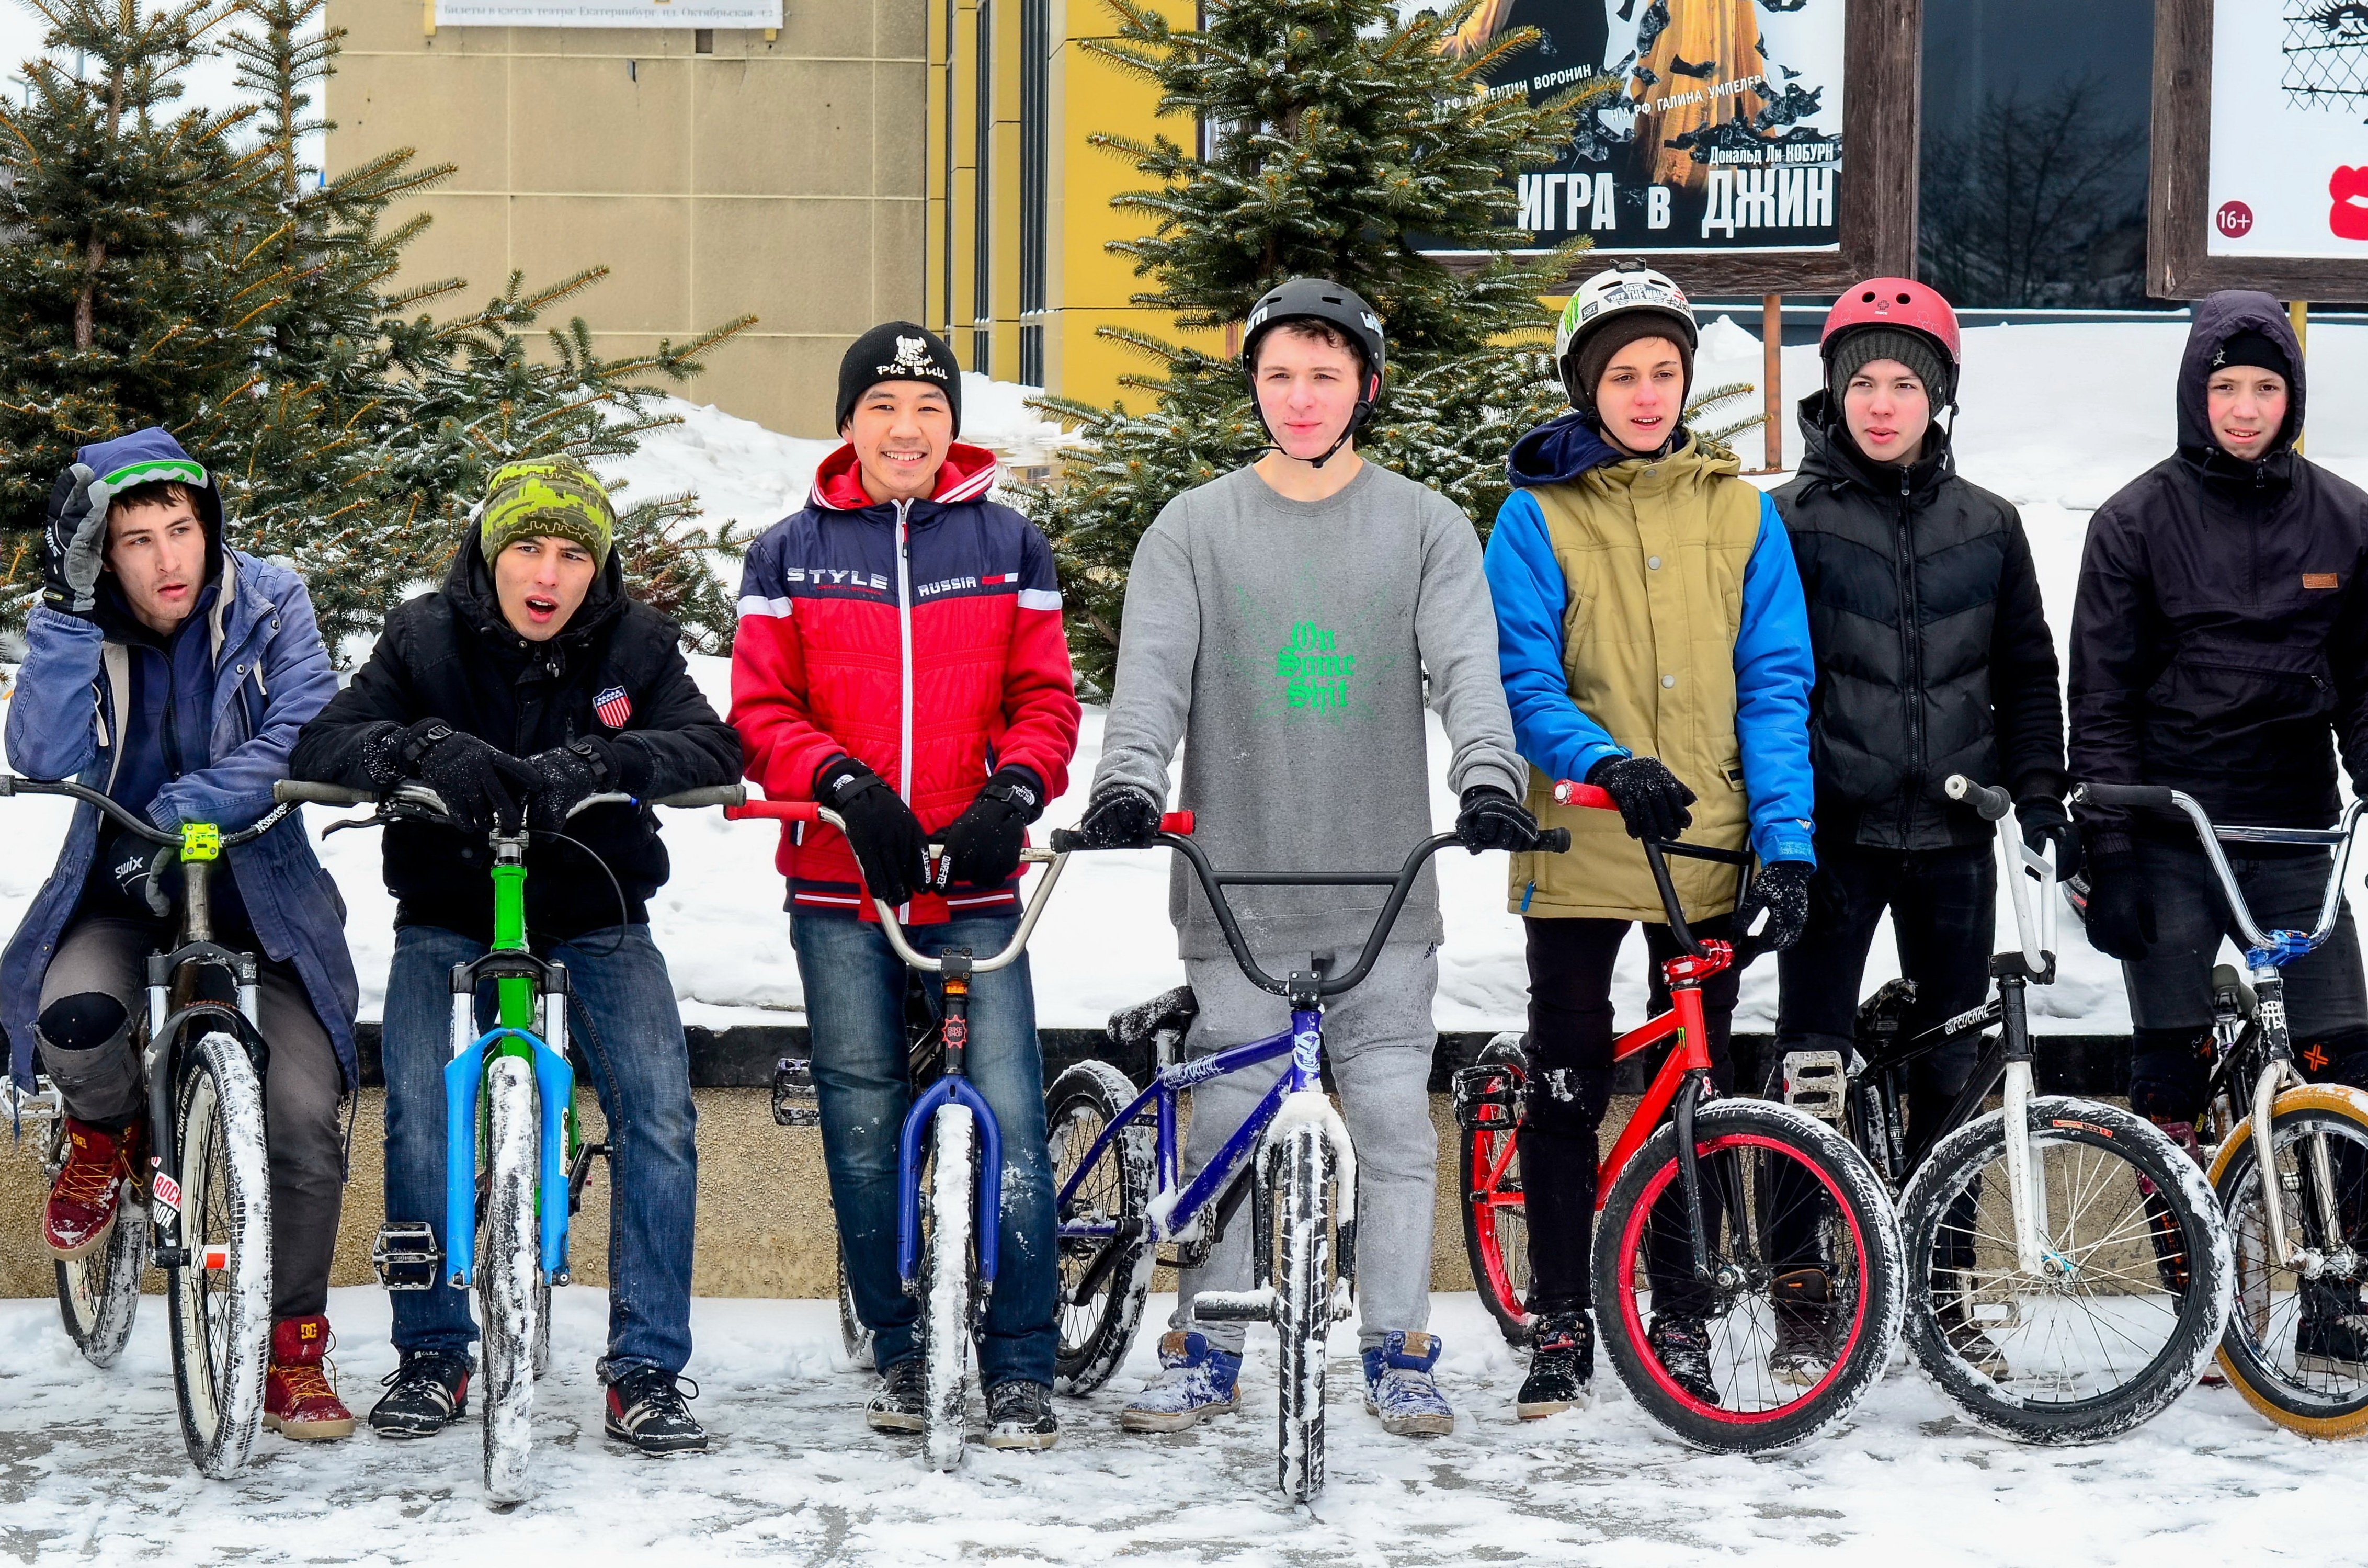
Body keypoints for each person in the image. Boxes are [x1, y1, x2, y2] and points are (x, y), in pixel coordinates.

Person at [1074, 277, 1542, 1439]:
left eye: (1325, 373)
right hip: (1236, 886)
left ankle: (1397, 1347)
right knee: (1231, 1114)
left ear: (1362, 388)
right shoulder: (1193, 526)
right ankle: (1207, 1347)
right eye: (1279, 373)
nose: (1300, 395)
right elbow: (1151, 684)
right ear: (1254, 384)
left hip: (1384, 889)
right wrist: (1128, 782)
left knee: (1389, 1121)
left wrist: (1487, 776)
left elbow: (1466, 672)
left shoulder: (1423, 524)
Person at [289, 457, 740, 1455]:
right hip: (450, 906)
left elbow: (713, 750)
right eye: (528, 548)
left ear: (599, 564)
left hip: (597, 904)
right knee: (417, 1109)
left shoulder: (638, 641)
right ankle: (433, 1355)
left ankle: (648, 1369)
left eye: (573, 553)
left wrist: (605, 760)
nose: (548, 573)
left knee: (660, 1116)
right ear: (492, 554)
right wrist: (421, 751)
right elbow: (326, 741)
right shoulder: (421, 635)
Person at [731, 323, 1082, 1450]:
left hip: (976, 879)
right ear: (849, 422)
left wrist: (1014, 793)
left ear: (952, 427)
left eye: (927, 408)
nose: (905, 428)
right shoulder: (787, 551)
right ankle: (895, 1346)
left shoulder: (1007, 543)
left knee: (1012, 1112)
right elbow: (759, 711)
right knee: (863, 1117)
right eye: (882, 405)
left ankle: (1023, 1360)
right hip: (843, 881)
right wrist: (840, 782)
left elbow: (1045, 699)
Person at [1481, 261, 1816, 1418]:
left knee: (1694, 1085)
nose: (1643, 392)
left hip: (1707, 845)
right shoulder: (1533, 516)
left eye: (1662, 371)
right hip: (1583, 838)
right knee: (1569, 1084)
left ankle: (1675, 1306)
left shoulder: (1739, 511)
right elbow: (1519, 676)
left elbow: (1774, 686)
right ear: (1583, 382)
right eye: (1620, 372)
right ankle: (1562, 1314)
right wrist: (1599, 758)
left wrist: (1785, 843)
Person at [3, 427, 361, 1440]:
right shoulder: (83, 625)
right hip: (122, 886)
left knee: (299, 1106)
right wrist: (70, 618)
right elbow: (39, 752)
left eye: (182, 528)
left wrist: (188, 800)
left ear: (211, 527)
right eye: (135, 540)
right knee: (70, 1018)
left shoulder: (271, 601)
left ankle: (292, 1346)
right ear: (100, 555)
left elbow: (307, 725)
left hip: (259, 897)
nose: (168, 559)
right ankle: (105, 1129)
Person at [1767, 279, 2071, 1381]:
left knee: (1956, 1073)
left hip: (1951, 835)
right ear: (1832, 393)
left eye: (1904, 383)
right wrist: (1783, 815)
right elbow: (1766, 679)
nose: (1882, 403)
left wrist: (2036, 791)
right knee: (1808, 1065)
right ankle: (1803, 1288)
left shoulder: (1986, 524)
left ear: (1936, 396)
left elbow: (2027, 671)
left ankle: (1944, 1288)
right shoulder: (1786, 519)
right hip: (1833, 830)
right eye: (1862, 382)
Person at [2069, 290, 2368, 1365]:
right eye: (2224, 387)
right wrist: (2107, 848)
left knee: (2341, 1052)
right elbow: (2098, 701)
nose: (2243, 407)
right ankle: (2192, 1291)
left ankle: (2339, 1288)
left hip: (2290, 828)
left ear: (2289, 397)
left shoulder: (2343, 516)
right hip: (2170, 827)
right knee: (2169, 1060)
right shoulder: (2132, 520)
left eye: (2264, 386)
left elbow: (2361, 684)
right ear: (2194, 396)